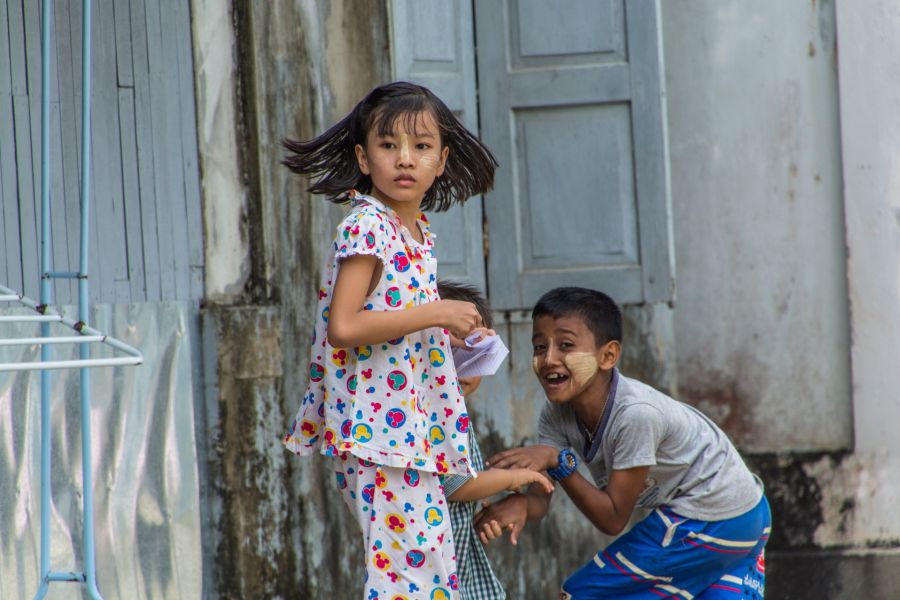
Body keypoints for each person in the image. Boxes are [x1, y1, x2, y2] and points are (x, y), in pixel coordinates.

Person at [281, 81, 499, 600]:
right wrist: (436, 310)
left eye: (421, 147)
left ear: (442, 160)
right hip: (376, 433)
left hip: (410, 430)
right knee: (407, 578)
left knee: (430, 571)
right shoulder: (367, 226)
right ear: (363, 156)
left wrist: (452, 334)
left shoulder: (417, 234)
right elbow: (346, 326)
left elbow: (396, 324)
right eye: (388, 145)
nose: (405, 159)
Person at [476, 287, 770, 599]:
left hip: (711, 517)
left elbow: (613, 517)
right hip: (747, 516)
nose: (548, 359)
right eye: (539, 347)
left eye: (565, 345)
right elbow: (542, 493)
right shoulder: (556, 414)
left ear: (608, 356)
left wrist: (559, 462)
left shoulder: (635, 415)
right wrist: (521, 504)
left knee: (584, 594)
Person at [437, 280, 554, 600]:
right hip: (433, 566)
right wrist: (513, 478)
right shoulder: (432, 410)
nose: (464, 363)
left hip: (455, 556)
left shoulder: (454, 411)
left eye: (476, 350)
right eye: (451, 348)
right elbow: (457, 485)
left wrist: (485, 500)